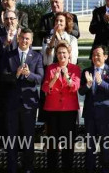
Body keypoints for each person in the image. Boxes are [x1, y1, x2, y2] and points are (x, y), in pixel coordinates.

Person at [0, 28, 43, 173]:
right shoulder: (9, 55)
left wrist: (29, 74)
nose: (24, 41)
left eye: (27, 39)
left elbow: (39, 78)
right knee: (12, 138)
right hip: (12, 103)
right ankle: (11, 167)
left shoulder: (37, 56)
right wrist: (15, 74)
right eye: (22, 38)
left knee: (28, 138)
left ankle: (28, 167)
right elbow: (3, 76)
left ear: (31, 41)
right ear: (18, 38)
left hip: (29, 104)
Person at [78, 45, 109, 173]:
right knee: (90, 145)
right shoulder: (87, 71)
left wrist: (101, 82)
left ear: (105, 56)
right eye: (94, 54)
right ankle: (90, 168)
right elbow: (81, 91)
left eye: (98, 55)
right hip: (90, 113)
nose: (95, 57)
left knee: (105, 144)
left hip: (105, 114)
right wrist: (88, 84)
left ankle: (105, 168)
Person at [41, 41, 80, 172]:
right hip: (52, 110)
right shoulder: (50, 68)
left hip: (69, 111)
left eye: (64, 52)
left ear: (69, 54)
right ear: (56, 55)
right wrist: (55, 78)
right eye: (59, 53)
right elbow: (45, 87)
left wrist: (67, 77)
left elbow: (75, 87)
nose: (61, 55)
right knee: (52, 144)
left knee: (68, 144)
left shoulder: (75, 69)